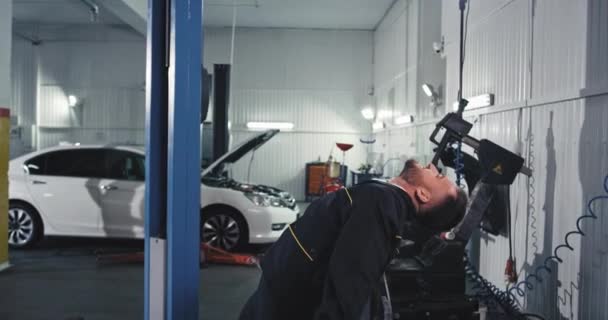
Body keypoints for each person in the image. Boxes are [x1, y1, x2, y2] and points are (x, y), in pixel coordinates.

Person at [239, 159, 468, 320]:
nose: (431, 166)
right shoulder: (385, 200)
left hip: (283, 303)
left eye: (437, 176)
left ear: (423, 195)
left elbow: (350, 281)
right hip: (278, 291)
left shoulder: (383, 203)